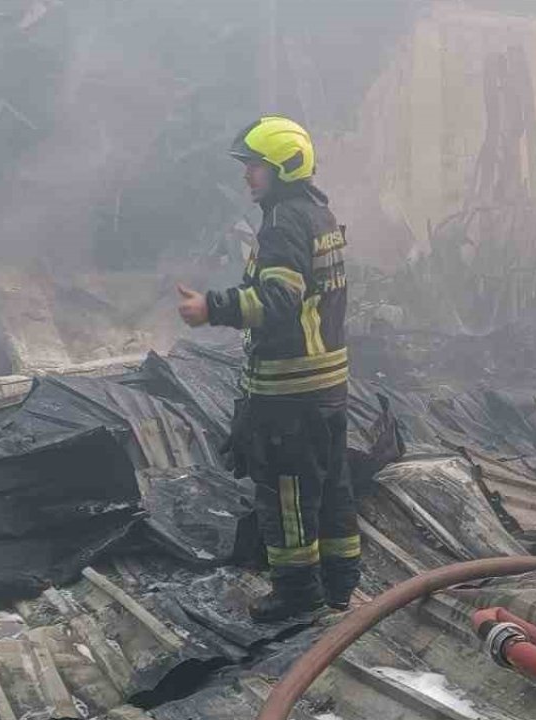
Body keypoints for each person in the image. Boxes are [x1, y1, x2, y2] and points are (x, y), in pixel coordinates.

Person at [177, 116, 358, 622]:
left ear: (282, 167)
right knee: (331, 488)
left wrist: (211, 308)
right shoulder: (320, 216)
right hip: (328, 385)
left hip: (289, 391)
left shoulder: (282, 223)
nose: (247, 177)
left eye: (255, 166)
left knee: (288, 494)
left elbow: (280, 297)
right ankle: (343, 586)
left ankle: (299, 594)